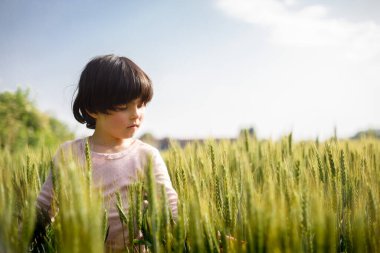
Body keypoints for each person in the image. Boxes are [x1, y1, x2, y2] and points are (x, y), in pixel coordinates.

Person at [35, 54, 178, 251]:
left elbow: (172, 210)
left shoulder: (147, 156)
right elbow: (43, 208)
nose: (136, 113)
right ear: (93, 109)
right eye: (123, 106)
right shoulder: (68, 153)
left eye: (141, 104)